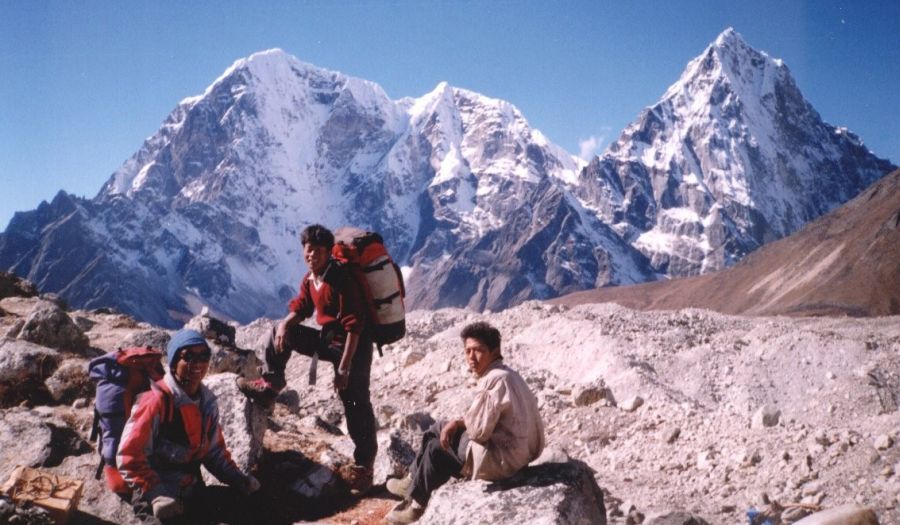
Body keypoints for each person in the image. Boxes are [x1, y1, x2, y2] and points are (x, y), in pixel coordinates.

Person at [237, 223, 377, 494]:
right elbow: (302, 305)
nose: (310, 255)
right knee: (278, 332)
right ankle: (271, 385)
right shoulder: (311, 278)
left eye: (316, 251)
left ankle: (364, 468)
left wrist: (344, 369)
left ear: (328, 252)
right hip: (330, 341)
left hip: (354, 348)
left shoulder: (340, 279)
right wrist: (286, 324)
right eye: (307, 250)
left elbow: (354, 325)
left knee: (356, 403)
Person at [384, 321, 546, 524]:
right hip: (518, 453)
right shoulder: (509, 374)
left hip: (502, 461)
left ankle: (416, 506)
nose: (471, 358)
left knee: (436, 448)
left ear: (494, 351)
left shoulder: (493, 381)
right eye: (467, 351)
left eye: (478, 351)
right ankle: (411, 481)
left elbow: (479, 433)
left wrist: (460, 425)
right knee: (438, 427)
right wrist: (457, 423)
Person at [117, 329, 260, 524]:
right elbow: (129, 456)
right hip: (154, 494)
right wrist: (156, 494)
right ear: (174, 362)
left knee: (248, 507)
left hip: (190, 488)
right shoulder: (156, 401)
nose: (198, 363)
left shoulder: (207, 402)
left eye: (204, 356)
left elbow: (215, 451)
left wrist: (237, 478)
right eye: (188, 356)